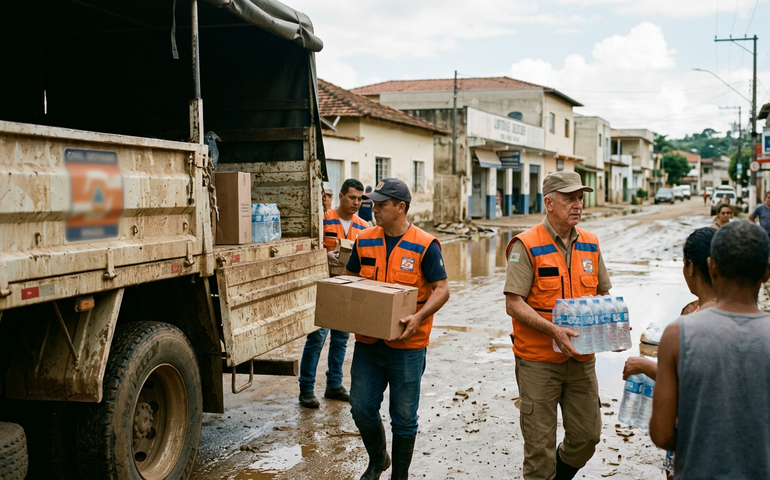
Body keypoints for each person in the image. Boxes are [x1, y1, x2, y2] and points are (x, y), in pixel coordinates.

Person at [503, 171, 614, 480]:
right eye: (569, 199)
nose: (577, 205)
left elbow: (602, 295)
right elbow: (513, 303)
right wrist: (553, 330)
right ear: (549, 202)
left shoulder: (591, 243)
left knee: (587, 437)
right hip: (538, 362)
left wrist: (612, 324)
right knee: (539, 451)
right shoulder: (526, 244)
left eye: (580, 198)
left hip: (581, 359)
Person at [342, 177, 450, 480]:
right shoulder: (364, 240)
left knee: (403, 418)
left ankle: (399, 476)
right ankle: (379, 459)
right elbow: (350, 279)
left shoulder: (425, 244)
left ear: (400, 207)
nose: (373, 208)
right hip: (368, 342)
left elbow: (442, 289)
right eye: (373, 203)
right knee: (361, 408)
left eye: (381, 204)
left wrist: (418, 317)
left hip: (408, 346)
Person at [650, 221, 770, 479]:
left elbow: (661, 433)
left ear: (712, 266)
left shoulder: (678, 334)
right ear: (767, 273)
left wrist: (702, 447)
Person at [622, 227, 717, 479]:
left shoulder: (685, 328)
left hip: (692, 442)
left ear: (691, 267)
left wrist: (644, 366)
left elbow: (663, 432)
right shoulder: (746, 320)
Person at [298, 178, 368, 408]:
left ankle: (334, 385)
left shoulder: (363, 227)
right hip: (324, 288)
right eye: (352, 197)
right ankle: (306, 389)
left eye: (360, 199)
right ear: (341, 196)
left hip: (347, 289)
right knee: (317, 338)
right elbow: (309, 249)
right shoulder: (323, 220)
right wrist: (324, 256)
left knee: (341, 339)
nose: (356, 202)